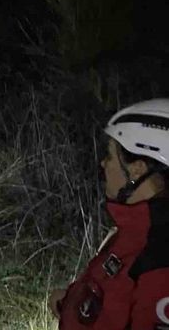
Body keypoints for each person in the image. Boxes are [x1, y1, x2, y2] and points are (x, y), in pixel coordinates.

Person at [48, 99, 169, 329]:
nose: (103, 163)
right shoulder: (134, 229)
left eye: (111, 155)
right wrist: (70, 303)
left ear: (137, 169)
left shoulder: (160, 259)